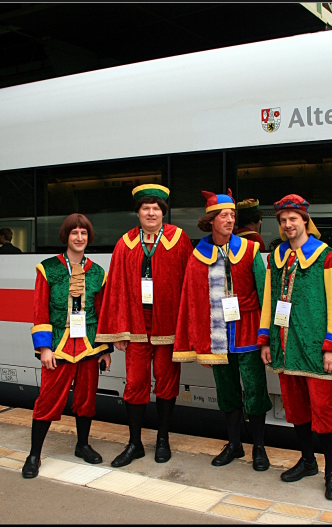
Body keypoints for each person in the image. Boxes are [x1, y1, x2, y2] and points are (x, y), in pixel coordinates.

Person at [258, 194, 332, 501]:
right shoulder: (277, 257)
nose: (287, 225)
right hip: (286, 347)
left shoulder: (327, 257)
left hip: (315, 349)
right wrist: (266, 340)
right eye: (283, 221)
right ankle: (308, 461)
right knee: (296, 409)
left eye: (293, 219)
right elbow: (270, 301)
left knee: (322, 410)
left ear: (305, 221)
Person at [173, 190, 273, 471]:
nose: (230, 220)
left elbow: (265, 294)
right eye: (224, 216)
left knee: (255, 391)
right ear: (211, 221)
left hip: (249, 331)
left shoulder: (251, 250)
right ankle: (234, 445)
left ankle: (259, 449)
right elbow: (192, 301)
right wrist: (200, 343)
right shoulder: (197, 256)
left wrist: (266, 336)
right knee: (226, 393)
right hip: (217, 336)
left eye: (232, 215)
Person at [95, 184, 192, 467]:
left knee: (166, 383)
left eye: (156, 209)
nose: (151, 213)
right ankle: (135, 443)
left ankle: (163, 439)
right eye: (145, 208)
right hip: (136, 327)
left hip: (168, 326)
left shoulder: (179, 239)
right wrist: (119, 331)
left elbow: (189, 285)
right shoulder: (125, 243)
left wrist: (186, 328)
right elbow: (116, 289)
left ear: (163, 212)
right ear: (137, 213)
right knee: (135, 384)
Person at [22, 213, 112, 478]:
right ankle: (34, 455)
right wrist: (44, 348)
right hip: (58, 348)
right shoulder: (47, 268)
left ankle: (82, 445)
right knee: (48, 401)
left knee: (86, 401)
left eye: (84, 233)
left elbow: (101, 312)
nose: (79, 238)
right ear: (66, 236)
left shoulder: (98, 272)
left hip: (88, 348)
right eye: (74, 233)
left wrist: (105, 350)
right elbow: (40, 311)